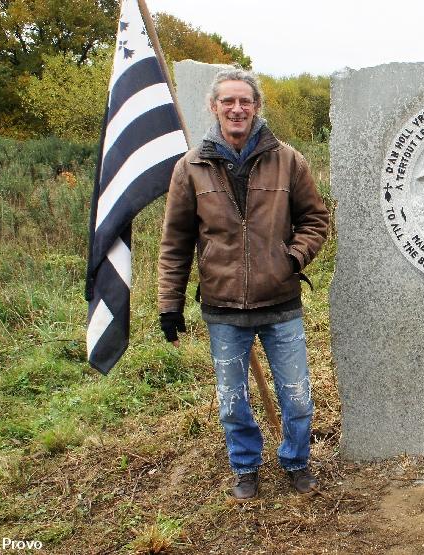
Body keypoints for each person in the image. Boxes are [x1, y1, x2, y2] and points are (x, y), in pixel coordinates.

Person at [157, 68, 330, 501]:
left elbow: (316, 220)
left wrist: (290, 259)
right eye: (228, 101)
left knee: (297, 398)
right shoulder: (190, 167)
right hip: (223, 307)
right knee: (232, 401)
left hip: (280, 302)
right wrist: (168, 304)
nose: (237, 109)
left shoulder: (288, 160)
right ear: (214, 107)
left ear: (256, 107)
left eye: (245, 101)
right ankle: (245, 467)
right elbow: (175, 242)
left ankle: (296, 461)